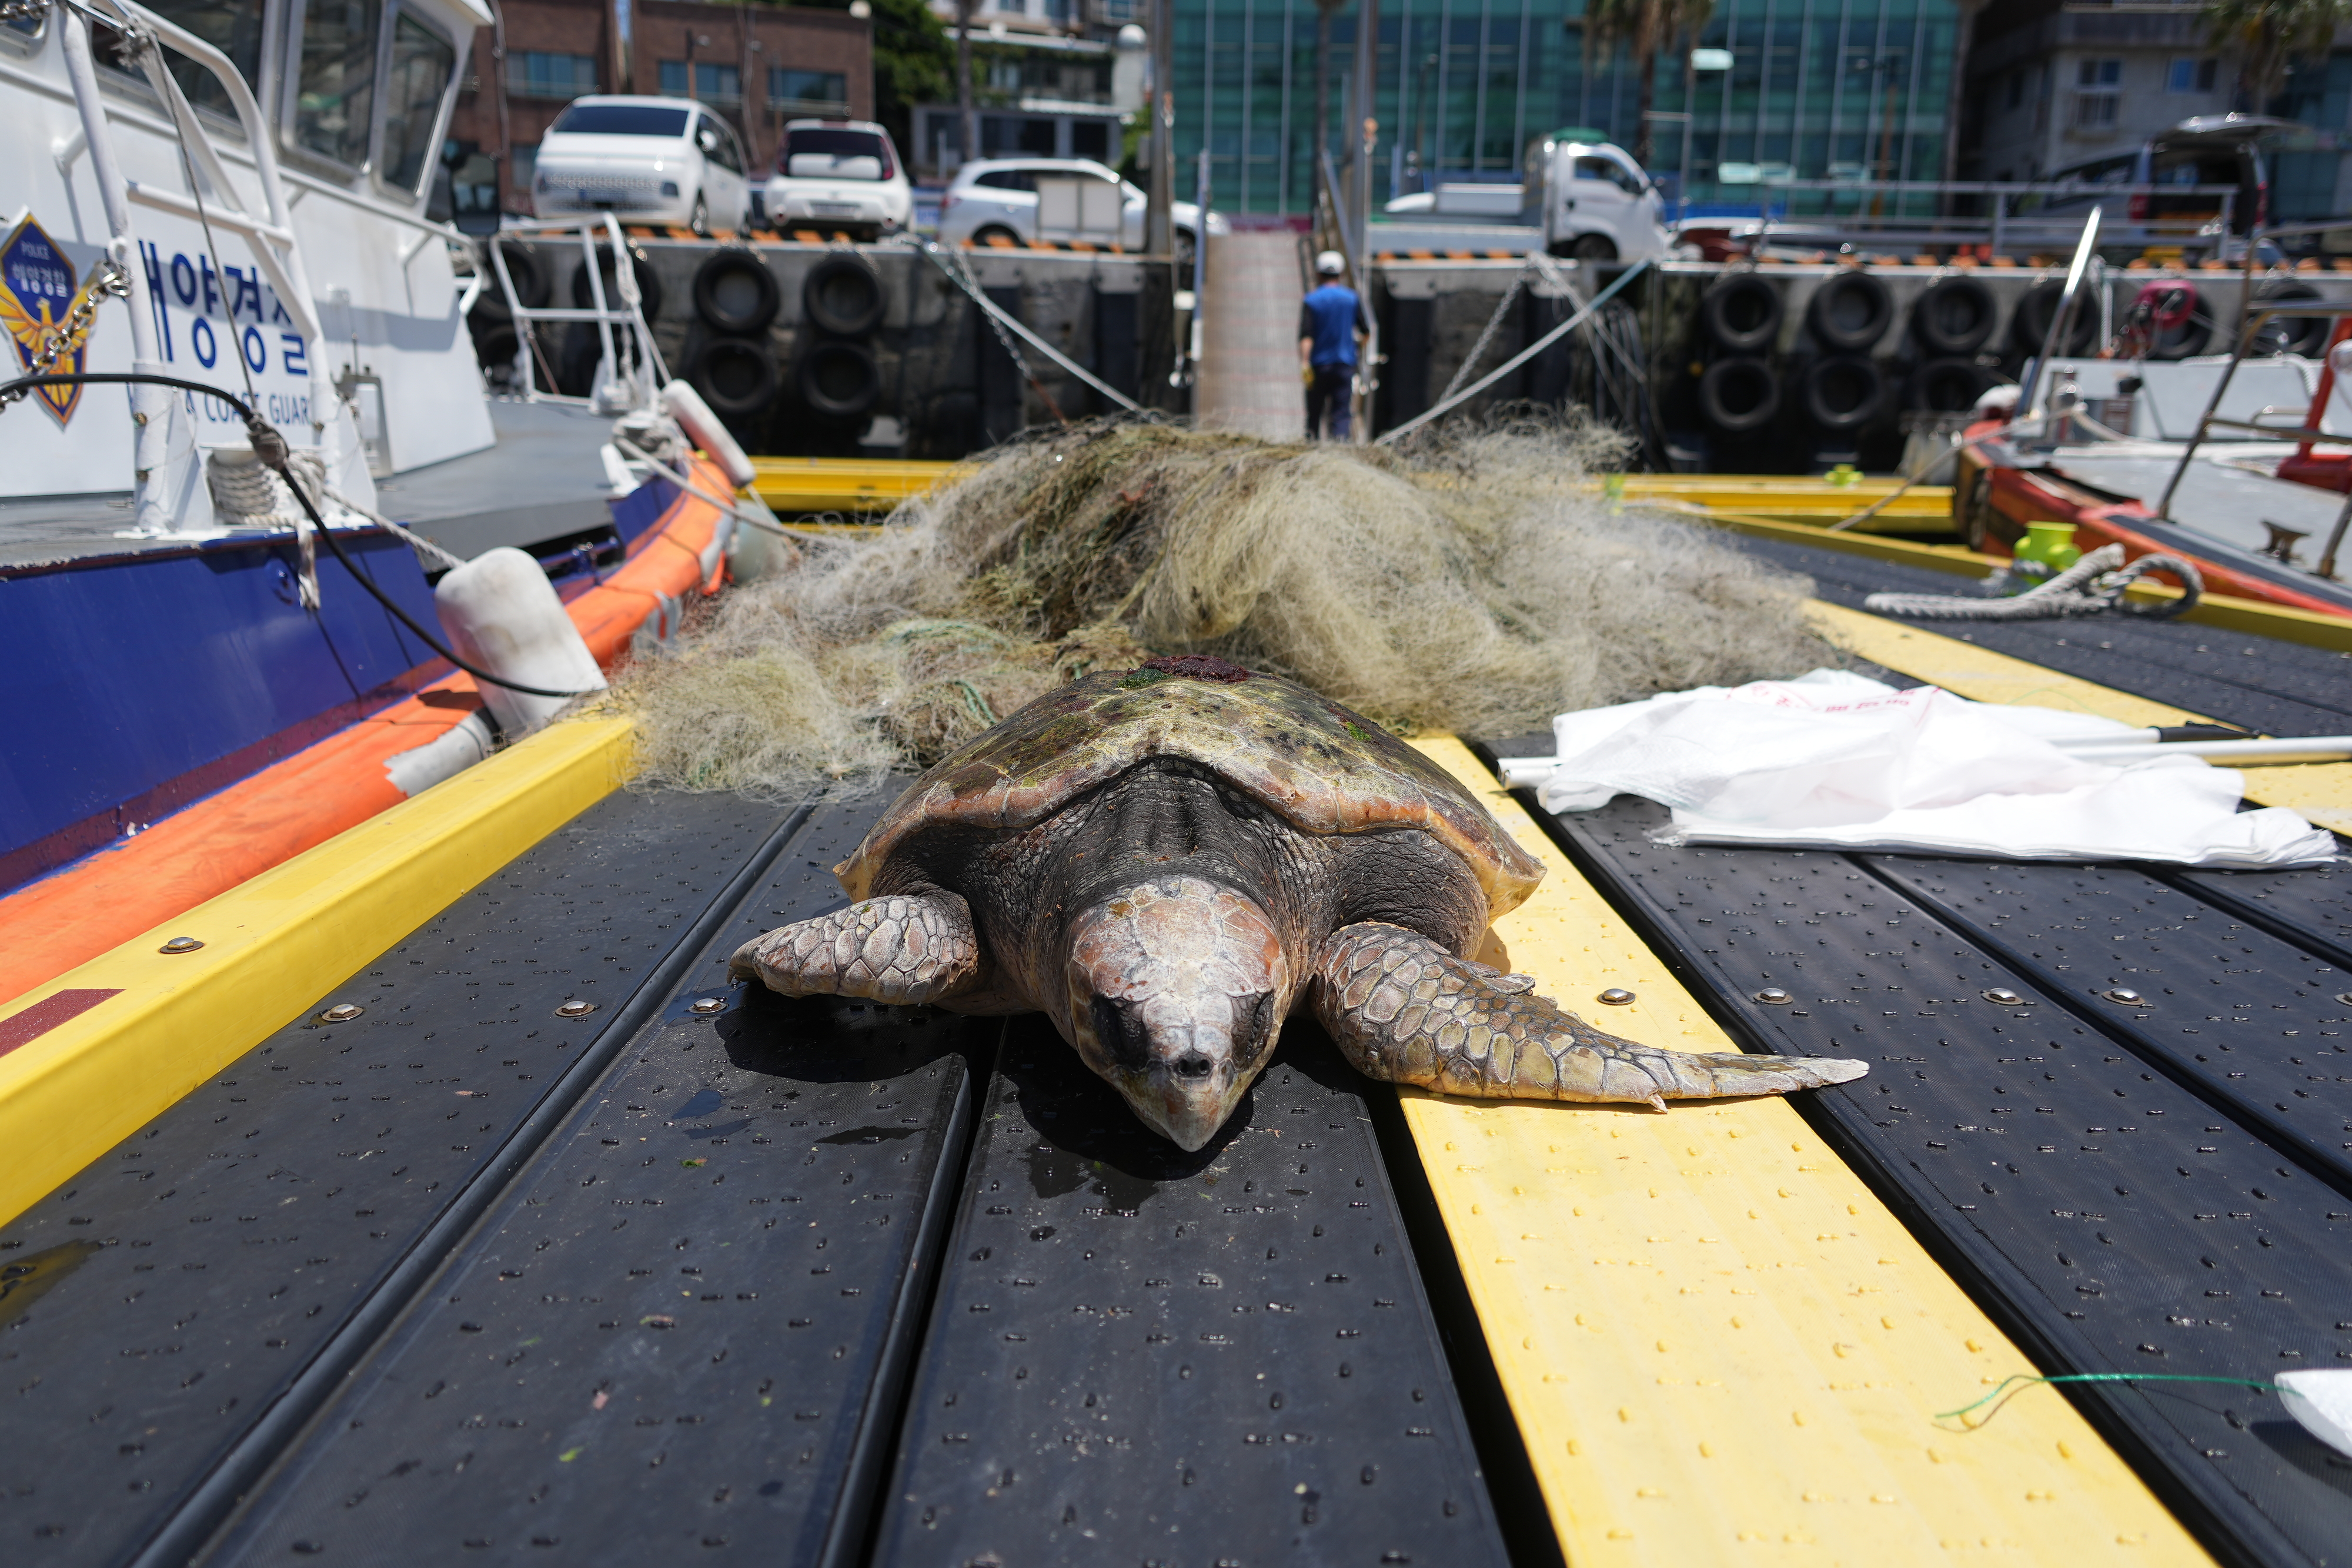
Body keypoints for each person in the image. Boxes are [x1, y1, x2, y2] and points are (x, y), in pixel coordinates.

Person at [1298, 250, 1368, 441]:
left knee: (1314, 414)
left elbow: (1307, 335)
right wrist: (1358, 350)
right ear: (1342, 274)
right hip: (1345, 364)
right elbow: (1365, 331)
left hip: (1319, 365)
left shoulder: (1311, 300)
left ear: (1318, 274)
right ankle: (1340, 454)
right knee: (1341, 414)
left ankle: (1311, 451)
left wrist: (1304, 363)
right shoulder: (1352, 298)